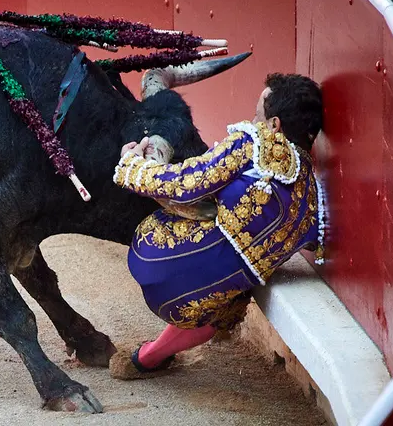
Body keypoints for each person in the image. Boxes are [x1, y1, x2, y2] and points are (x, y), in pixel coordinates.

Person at [110, 73, 326, 379]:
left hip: (158, 263)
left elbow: (188, 182)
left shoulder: (256, 143)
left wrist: (132, 166)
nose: (252, 122)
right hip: (205, 301)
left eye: (257, 116)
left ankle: (148, 357)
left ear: (275, 126)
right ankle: (146, 358)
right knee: (236, 292)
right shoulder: (311, 201)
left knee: (184, 204)